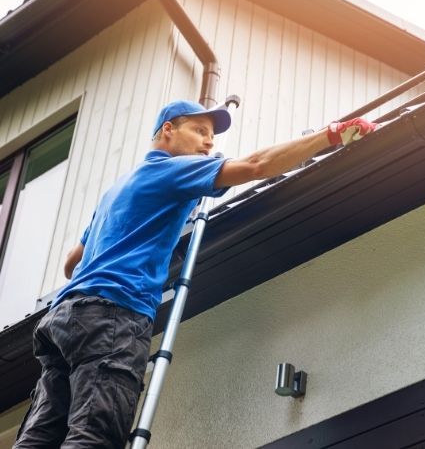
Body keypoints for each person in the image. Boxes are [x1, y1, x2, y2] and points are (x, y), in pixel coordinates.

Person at [14, 99, 376, 449]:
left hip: (63, 318)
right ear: (167, 131)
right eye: (200, 130)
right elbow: (255, 165)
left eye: (212, 137)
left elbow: (70, 263)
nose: (208, 141)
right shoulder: (170, 170)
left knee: (39, 438)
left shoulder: (117, 191)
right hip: (112, 316)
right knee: (95, 434)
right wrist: (331, 134)